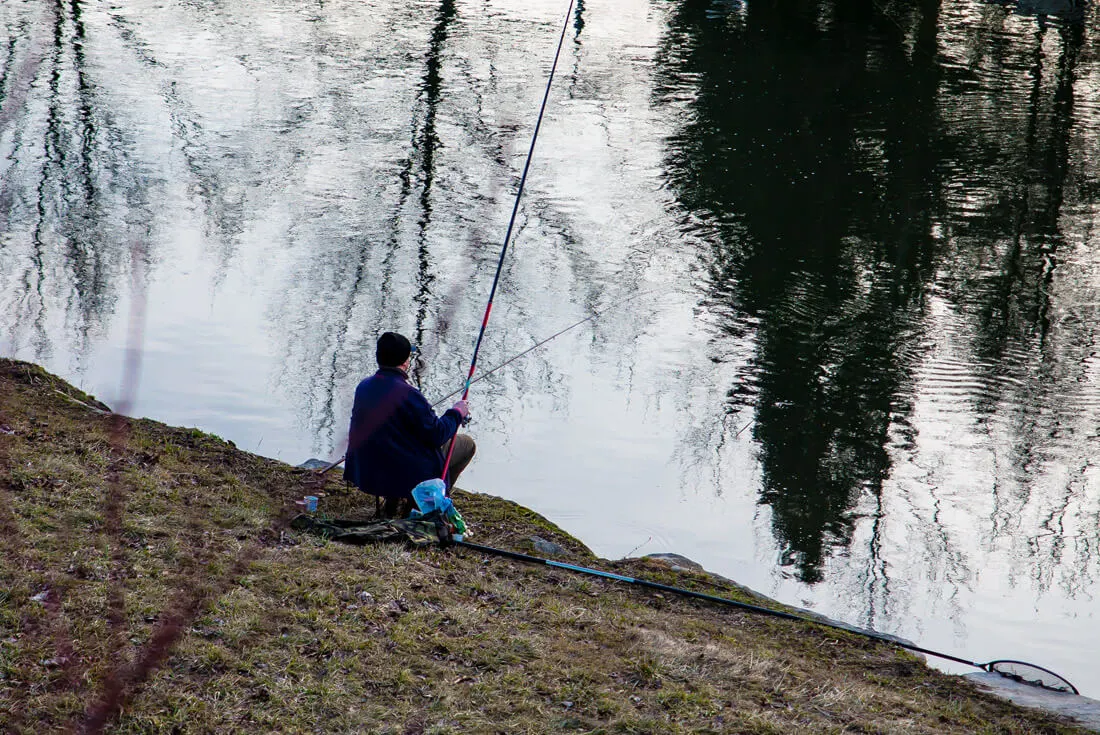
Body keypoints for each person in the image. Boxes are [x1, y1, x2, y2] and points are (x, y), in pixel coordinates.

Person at [344, 331, 476, 517]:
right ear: (405, 362)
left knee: (396, 444)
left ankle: (392, 505)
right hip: (401, 473)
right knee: (467, 444)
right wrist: (457, 413)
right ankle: (428, 503)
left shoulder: (364, 386)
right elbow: (437, 434)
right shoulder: (409, 394)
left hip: (366, 471)